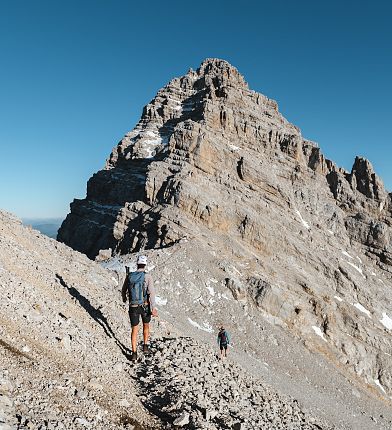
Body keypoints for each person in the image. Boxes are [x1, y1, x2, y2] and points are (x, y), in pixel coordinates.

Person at [122, 255, 158, 361]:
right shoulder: (147, 276)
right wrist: (153, 308)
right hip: (145, 306)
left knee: (134, 329)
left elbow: (124, 290)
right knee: (146, 325)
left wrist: (124, 299)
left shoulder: (130, 276)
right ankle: (145, 347)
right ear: (145, 264)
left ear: (137, 264)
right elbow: (151, 293)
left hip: (133, 306)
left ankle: (134, 353)